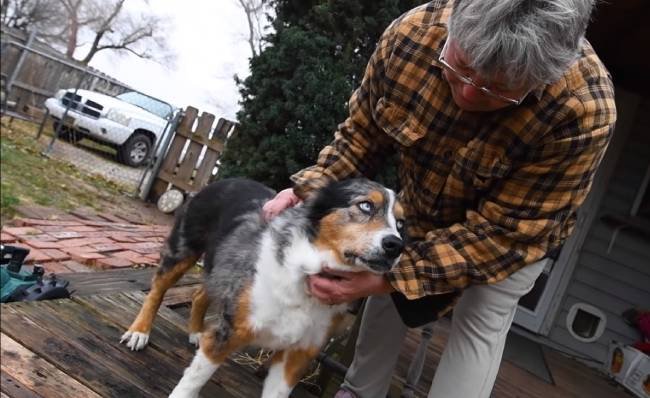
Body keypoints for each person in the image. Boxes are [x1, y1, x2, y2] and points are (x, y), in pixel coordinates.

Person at [263, 0, 617, 397]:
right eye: (461, 66)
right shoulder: (411, 35)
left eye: (498, 88)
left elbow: (502, 235)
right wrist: (309, 192)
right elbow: (362, 134)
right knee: (386, 272)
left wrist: (389, 279)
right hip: (422, 203)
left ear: (542, 79)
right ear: (455, 22)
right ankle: (360, 391)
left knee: (480, 317)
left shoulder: (583, 109)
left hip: (513, 235)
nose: (468, 92)